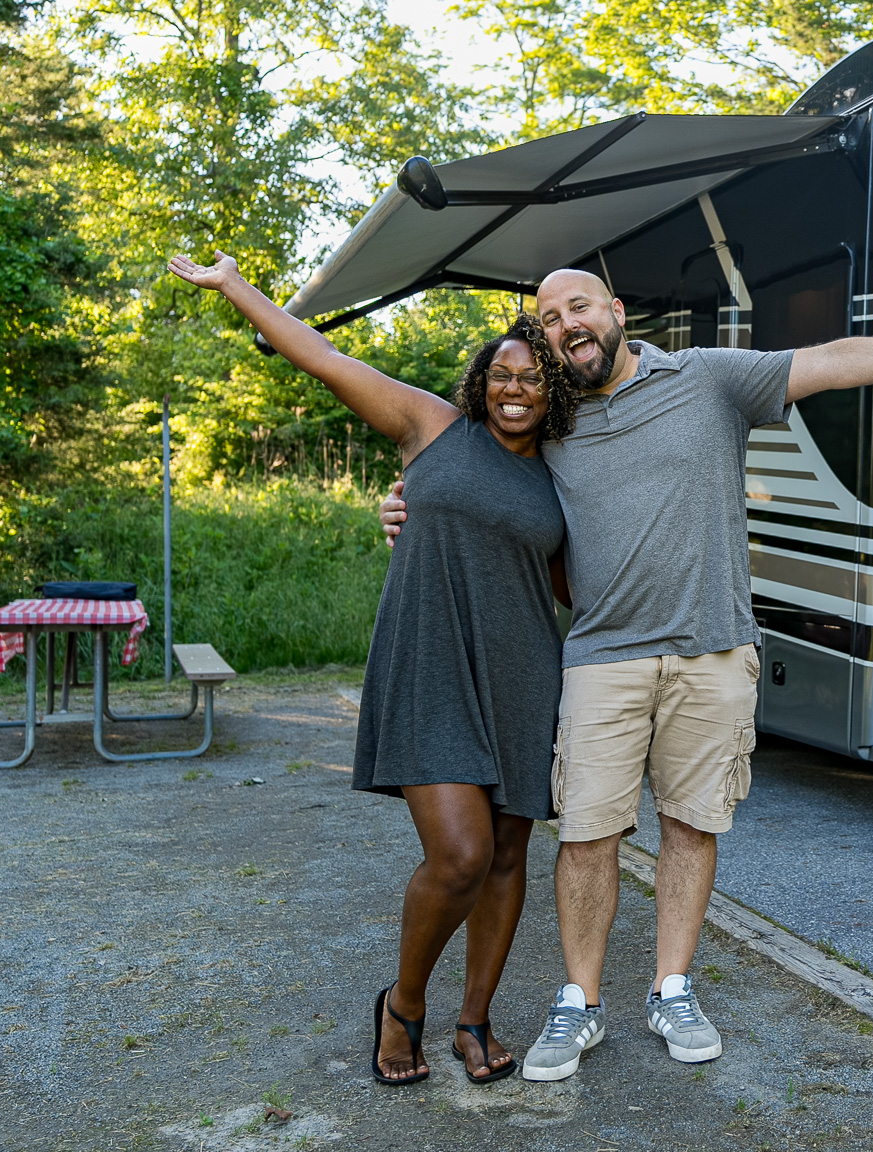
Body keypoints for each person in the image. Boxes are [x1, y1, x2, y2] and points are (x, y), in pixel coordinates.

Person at [380, 268, 873, 1082]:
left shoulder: (709, 378)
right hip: (601, 656)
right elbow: (474, 479)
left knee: (691, 825)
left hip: (713, 647)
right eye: (548, 318)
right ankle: (580, 1002)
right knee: (586, 835)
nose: (566, 324)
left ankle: (673, 990)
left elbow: (828, 361)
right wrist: (407, 505)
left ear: (617, 311)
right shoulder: (552, 419)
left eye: (579, 306)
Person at [169, 250, 574, 1087]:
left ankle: (474, 1020)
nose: (514, 388)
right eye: (501, 374)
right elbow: (322, 357)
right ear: (480, 382)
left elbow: (575, 582)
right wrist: (236, 286)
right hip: (429, 663)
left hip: (524, 675)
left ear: (553, 391)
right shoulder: (432, 427)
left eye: (532, 378)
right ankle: (404, 1005)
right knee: (460, 856)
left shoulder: (564, 478)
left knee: (508, 856)